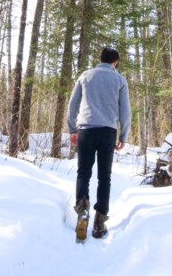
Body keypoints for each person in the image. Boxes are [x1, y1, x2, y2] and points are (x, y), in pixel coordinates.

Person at [67, 46, 131, 239]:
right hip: (108, 132)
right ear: (115, 62)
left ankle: (82, 211)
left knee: (83, 173)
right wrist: (123, 136)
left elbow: (72, 104)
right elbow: (125, 111)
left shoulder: (85, 76)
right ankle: (99, 223)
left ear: (100, 59)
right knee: (105, 177)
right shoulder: (119, 80)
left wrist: (72, 129)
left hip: (86, 129)